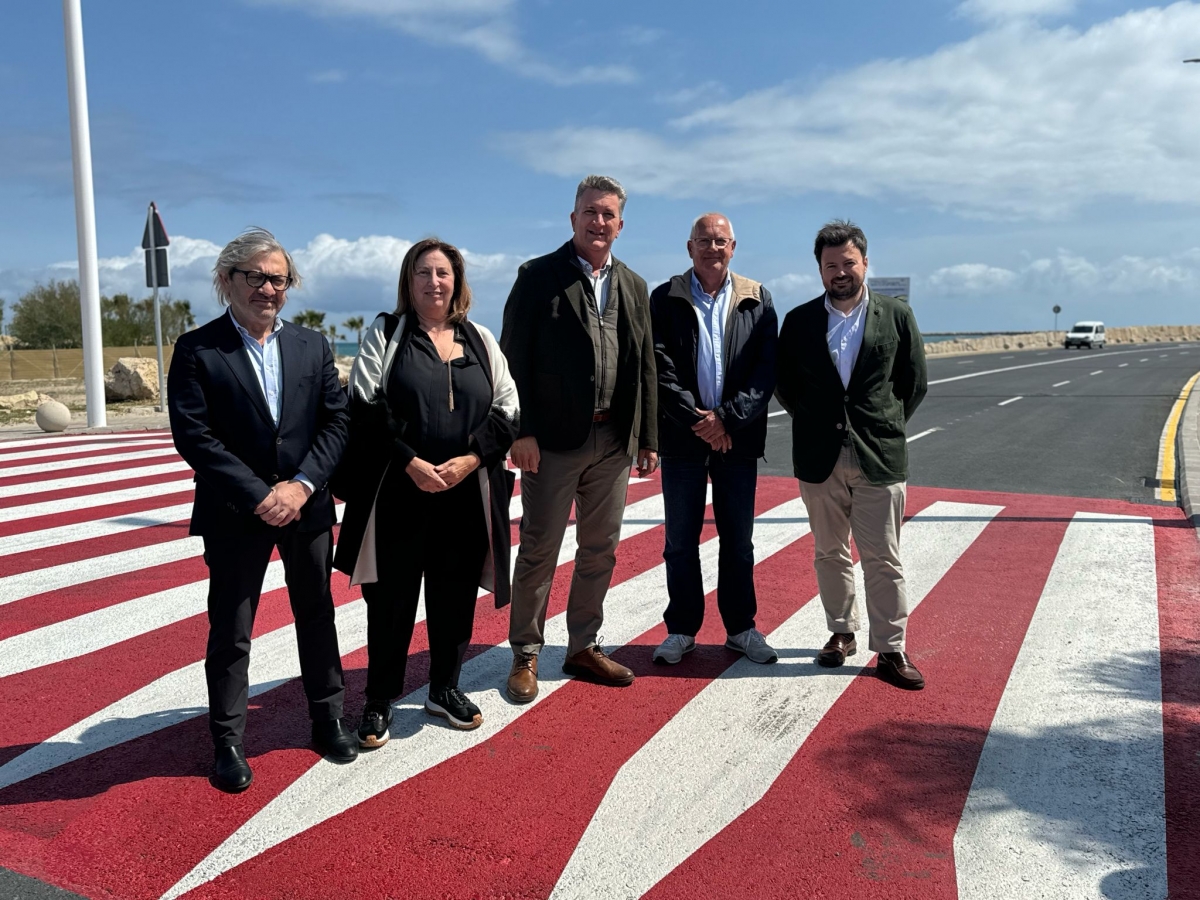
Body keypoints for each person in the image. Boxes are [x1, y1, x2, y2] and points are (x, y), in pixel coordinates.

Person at [168, 227, 356, 793]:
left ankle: (328, 718)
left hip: (307, 505)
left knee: (316, 614)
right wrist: (259, 494)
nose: (268, 288)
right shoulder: (198, 349)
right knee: (232, 627)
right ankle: (227, 740)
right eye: (256, 277)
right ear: (227, 281)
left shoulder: (312, 345)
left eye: (279, 278)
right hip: (234, 510)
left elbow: (336, 421)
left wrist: (300, 486)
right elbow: (195, 436)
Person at [334, 239, 519, 744]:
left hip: (463, 491)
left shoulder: (480, 338)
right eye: (423, 273)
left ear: (457, 281)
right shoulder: (387, 333)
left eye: (443, 272)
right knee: (391, 599)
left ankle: (444, 687)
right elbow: (366, 403)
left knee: (454, 594)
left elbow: (508, 407)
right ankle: (379, 699)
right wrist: (409, 460)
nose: (434, 282)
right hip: (400, 489)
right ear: (408, 282)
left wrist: (472, 457)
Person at [500, 174, 658, 702]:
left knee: (600, 550)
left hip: (612, 439)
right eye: (590, 212)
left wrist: (646, 436)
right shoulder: (537, 276)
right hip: (552, 442)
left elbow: (645, 366)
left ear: (620, 224)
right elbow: (511, 359)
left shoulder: (633, 285)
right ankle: (525, 651)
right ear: (573, 219)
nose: (598, 222)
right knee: (541, 548)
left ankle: (582, 645)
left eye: (608, 214)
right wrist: (520, 432)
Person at [775, 220, 929, 690]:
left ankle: (890, 649)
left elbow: (913, 383)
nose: (840, 272)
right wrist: (818, 419)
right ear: (819, 269)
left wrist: (882, 423)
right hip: (819, 456)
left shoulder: (895, 315)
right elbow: (786, 384)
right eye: (830, 265)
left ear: (865, 263)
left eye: (849, 263)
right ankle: (840, 632)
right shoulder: (799, 320)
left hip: (877, 456)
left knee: (883, 556)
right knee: (829, 552)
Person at [649, 213, 779, 665]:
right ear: (689, 248)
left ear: (733, 247)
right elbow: (659, 367)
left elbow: (766, 372)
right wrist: (699, 420)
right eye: (703, 241)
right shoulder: (664, 297)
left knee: (738, 541)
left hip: (736, 440)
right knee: (680, 541)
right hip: (684, 439)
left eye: (720, 241)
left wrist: (726, 420)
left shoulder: (757, 299)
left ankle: (741, 628)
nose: (712, 248)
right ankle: (682, 629)